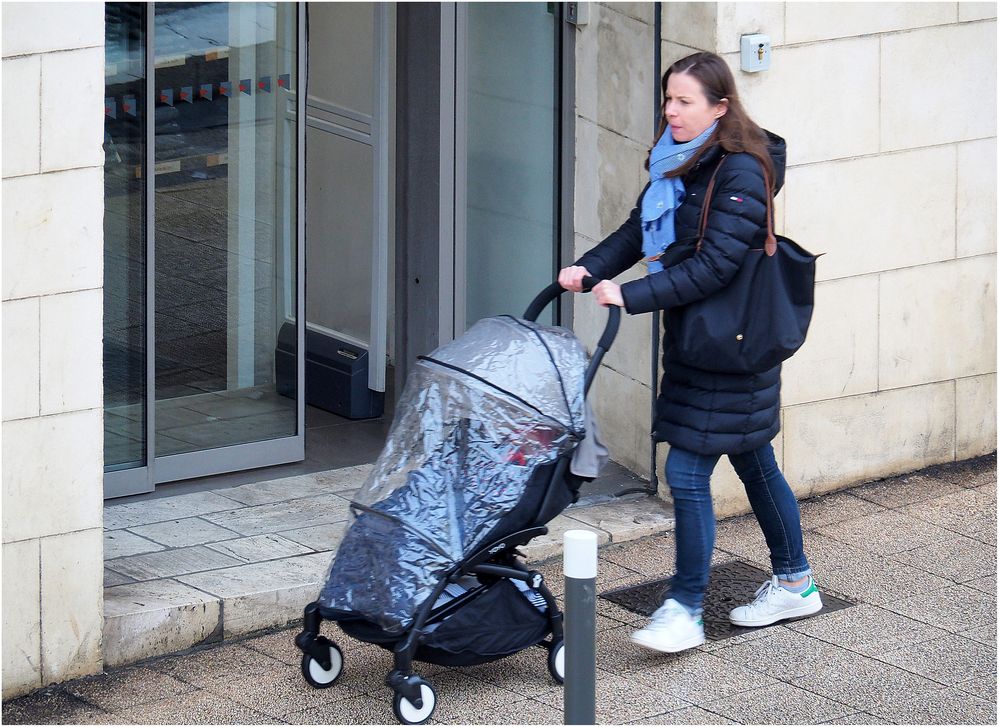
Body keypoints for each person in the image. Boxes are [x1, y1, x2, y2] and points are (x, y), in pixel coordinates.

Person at [558, 51, 822, 653]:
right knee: (754, 459)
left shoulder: (742, 170)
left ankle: (685, 607)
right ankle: (795, 583)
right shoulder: (679, 160)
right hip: (703, 339)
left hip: (731, 341)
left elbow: (715, 265)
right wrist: (590, 267)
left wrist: (630, 294)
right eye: (668, 100)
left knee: (687, 470)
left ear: (719, 107)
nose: (670, 111)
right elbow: (640, 228)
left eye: (684, 102)